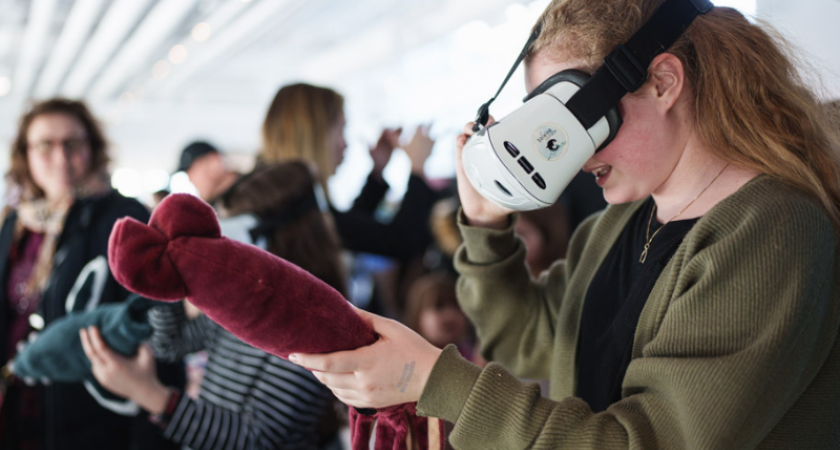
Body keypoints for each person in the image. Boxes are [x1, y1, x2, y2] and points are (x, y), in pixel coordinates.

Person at [290, 2, 840, 449]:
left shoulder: (774, 231)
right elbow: (526, 340)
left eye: (580, 121)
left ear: (663, 82)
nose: (573, 158)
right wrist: (486, 227)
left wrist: (430, 379)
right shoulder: (622, 221)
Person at [81, 162, 343, 449]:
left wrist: (151, 395)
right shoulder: (244, 298)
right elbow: (171, 344)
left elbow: (258, 441)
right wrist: (163, 281)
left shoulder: (316, 323)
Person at [0, 98, 181, 449]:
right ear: (26, 154)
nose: (60, 156)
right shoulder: (15, 224)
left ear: (92, 148)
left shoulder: (123, 218)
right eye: (45, 145)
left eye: (72, 143)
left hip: (92, 419)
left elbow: (158, 322)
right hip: (20, 413)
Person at [259, 83, 438, 262]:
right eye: (341, 130)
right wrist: (417, 169)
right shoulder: (299, 212)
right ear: (316, 138)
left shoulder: (280, 200)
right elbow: (400, 241)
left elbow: (348, 227)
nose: (345, 144)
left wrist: (377, 172)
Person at [176, 141, 240, 204]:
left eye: (192, 172)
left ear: (214, 161)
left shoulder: (243, 199)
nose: (191, 180)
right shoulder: (217, 206)